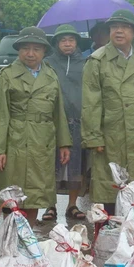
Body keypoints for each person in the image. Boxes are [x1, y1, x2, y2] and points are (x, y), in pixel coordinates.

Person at [0, 27, 72, 223]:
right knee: (12, 195)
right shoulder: (6, 76)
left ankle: (29, 240)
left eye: (36, 49)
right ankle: (12, 243)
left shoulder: (50, 76)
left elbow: (58, 111)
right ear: (19, 50)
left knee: (35, 195)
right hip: (15, 141)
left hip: (43, 142)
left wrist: (64, 143)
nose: (30, 53)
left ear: (44, 51)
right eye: (25, 48)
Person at [82, 10, 134, 212]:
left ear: (133, 32)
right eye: (114, 27)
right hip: (110, 135)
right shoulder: (97, 61)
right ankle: (108, 235)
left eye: (124, 27)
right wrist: (93, 137)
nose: (119, 31)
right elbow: (90, 102)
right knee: (109, 189)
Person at [44, 24, 88, 220]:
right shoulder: (47, 63)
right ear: (56, 43)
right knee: (49, 164)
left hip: (78, 122)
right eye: (63, 40)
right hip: (53, 122)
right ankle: (49, 206)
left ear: (77, 42)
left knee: (76, 166)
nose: (67, 43)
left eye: (71, 40)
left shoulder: (86, 63)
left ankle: (72, 204)